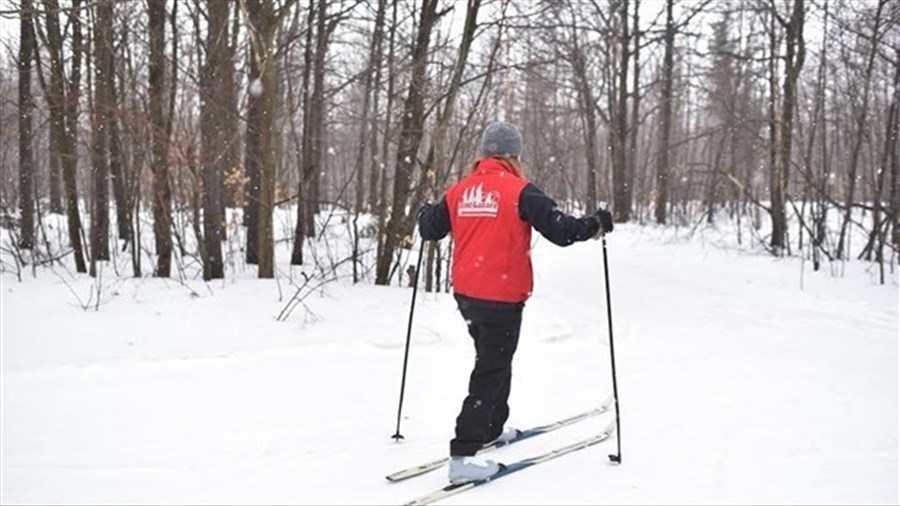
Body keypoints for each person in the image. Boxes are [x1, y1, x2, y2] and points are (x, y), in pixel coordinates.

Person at [417, 121, 614, 483]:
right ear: (514, 156)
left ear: (483, 154)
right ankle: (462, 455)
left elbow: (429, 229)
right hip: (502, 297)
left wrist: (424, 212)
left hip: (467, 295)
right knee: (491, 368)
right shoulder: (520, 190)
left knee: (494, 359)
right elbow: (561, 231)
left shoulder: (460, 191)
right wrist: (594, 224)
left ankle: (492, 427)